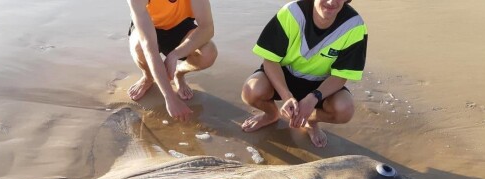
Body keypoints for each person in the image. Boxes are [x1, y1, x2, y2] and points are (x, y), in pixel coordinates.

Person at [241, 0, 367, 147]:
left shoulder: (354, 26)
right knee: (251, 91)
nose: (332, 1)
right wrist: (286, 96)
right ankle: (271, 114)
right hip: (284, 75)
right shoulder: (292, 13)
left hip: (321, 84)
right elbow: (270, 60)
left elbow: (341, 75)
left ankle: (310, 120)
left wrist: (314, 97)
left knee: (344, 110)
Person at [127, 0, 218, 121]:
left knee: (208, 53)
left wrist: (174, 55)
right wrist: (170, 97)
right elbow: (149, 48)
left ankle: (179, 74)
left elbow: (207, 28)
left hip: (181, 25)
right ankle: (148, 77)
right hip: (150, 26)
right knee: (138, 46)